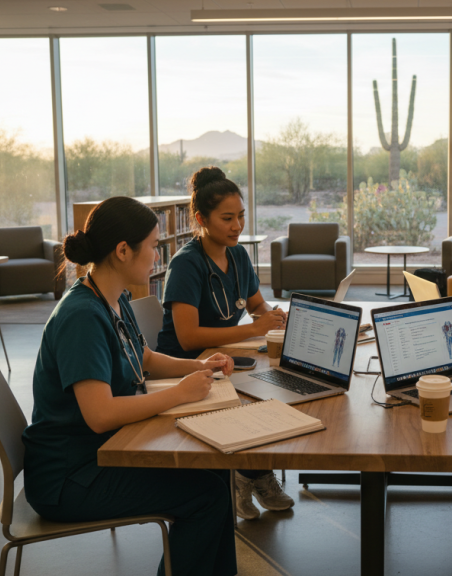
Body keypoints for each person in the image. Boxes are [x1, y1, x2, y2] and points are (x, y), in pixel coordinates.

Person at [22, 196, 237, 576]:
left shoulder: (112, 297)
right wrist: (180, 392)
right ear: (123, 250)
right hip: (71, 477)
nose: (158, 256)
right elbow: (100, 415)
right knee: (206, 496)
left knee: (216, 472)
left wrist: (200, 365)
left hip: (103, 454)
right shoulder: (81, 317)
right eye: (154, 246)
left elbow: (146, 358)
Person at [155, 166, 294, 521]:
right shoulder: (186, 265)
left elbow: (255, 304)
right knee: (256, 401)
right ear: (201, 218)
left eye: (241, 217)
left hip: (221, 361)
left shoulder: (238, 256)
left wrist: (272, 315)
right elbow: (188, 337)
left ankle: (252, 472)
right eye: (227, 218)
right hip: (186, 368)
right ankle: (246, 475)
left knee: (270, 391)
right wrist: (252, 330)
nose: (237, 226)